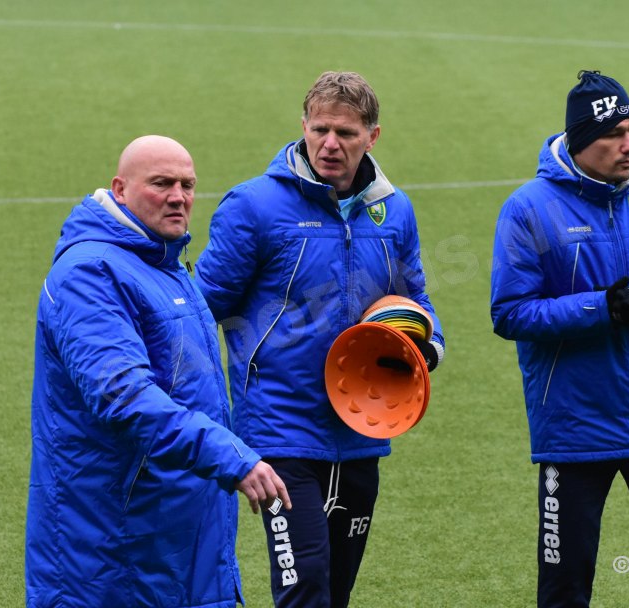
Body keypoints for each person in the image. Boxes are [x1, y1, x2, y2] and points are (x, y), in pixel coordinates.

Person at [195, 71, 445, 607]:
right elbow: (200, 309)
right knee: (304, 586)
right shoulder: (254, 206)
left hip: (363, 427)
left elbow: (414, 300)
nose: (331, 144)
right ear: (304, 127)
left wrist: (426, 346)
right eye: (321, 129)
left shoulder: (393, 211)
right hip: (280, 431)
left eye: (347, 133)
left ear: (372, 137)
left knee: (336, 591)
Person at [26, 135, 291, 608]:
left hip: (180, 543)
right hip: (114, 554)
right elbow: (124, 397)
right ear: (120, 188)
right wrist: (231, 456)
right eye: (161, 183)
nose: (178, 196)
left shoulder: (166, 266)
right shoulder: (91, 275)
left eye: (187, 184)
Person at [490, 71, 629, 607]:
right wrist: (601, 308)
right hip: (576, 426)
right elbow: (511, 313)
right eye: (616, 134)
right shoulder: (529, 209)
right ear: (580, 140)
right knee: (567, 584)